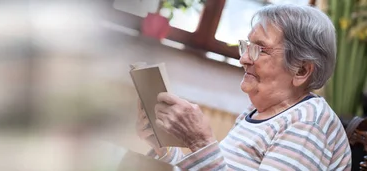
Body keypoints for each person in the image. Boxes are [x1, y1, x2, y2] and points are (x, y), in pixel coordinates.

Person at [136, 4, 351, 170]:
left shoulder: (308, 123)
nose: (244, 59)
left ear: (301, 70)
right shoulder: (257, 112)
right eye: (246, 46)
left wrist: (201, 142)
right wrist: (162, 148)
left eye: (260, 49)